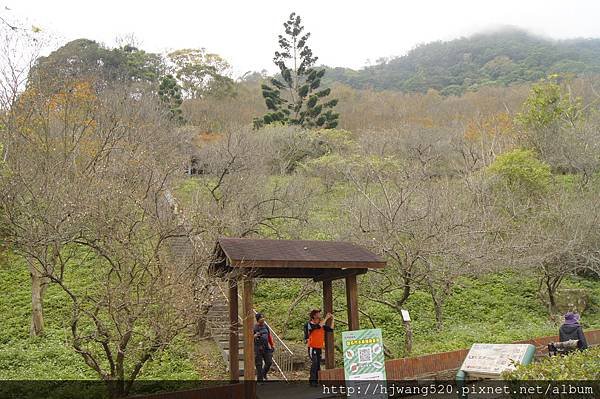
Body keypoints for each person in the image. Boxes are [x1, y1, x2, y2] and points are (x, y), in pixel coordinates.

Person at [305, 309, 334, 387]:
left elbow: (331, 329)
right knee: (314, 363)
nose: (319, 314)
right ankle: (312, 381)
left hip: (319, 347)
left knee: (318, 364)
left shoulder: (322, 325)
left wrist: (333, 319)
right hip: (312, 347)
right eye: (317, 313)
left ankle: (317, 380)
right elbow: (317, 327)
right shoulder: (309, 324)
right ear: (314, 315)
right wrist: (326, 318)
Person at [253, 312, 274, 382]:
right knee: (259, 364)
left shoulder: (265, 326)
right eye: (261, 318)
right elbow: (249, 338)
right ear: (258, 319)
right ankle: (260, 380)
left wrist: (272, 345)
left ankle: (264, 373)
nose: (263, 319)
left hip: (266, 347)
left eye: (263, 317)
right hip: (258, 347)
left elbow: (269, 336)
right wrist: (254, 336)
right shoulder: (254, 327)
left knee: (269, 362)